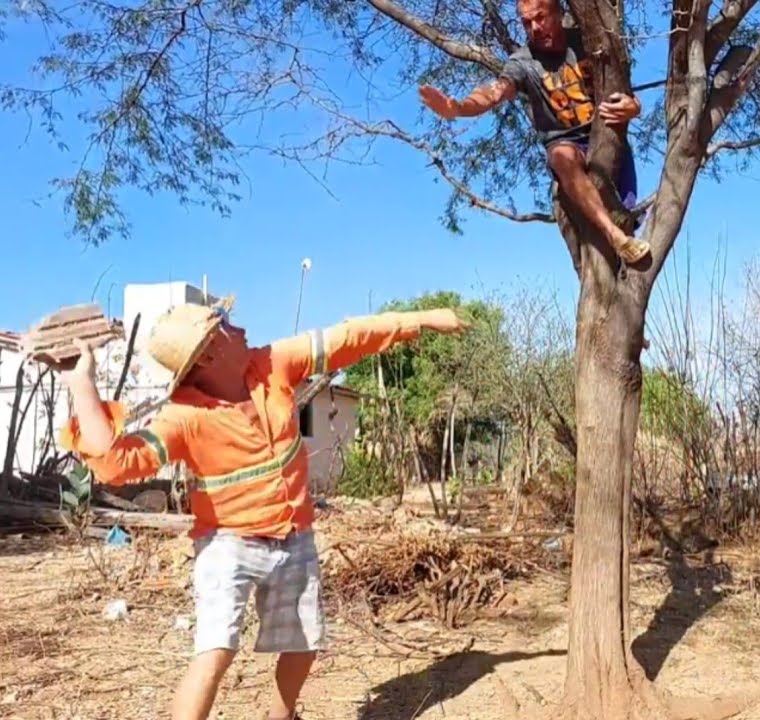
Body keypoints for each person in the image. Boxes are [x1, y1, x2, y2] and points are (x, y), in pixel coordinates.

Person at [52, 297, 469, 720]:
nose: (241, 329)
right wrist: (81, 384)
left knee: (303, 644)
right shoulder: (184, 418)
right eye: (226, 324)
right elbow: (117, 463)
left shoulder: (273, 363)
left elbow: (347, 338)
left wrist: (422, 319)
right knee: (216, 650)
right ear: (209, 352)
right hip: (227, 542)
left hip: (294, 535)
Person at [416, 0, 651, 265]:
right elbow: (494, 93)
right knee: (560, 156)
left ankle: (625, 239)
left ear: (559, 13)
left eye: (540, 17)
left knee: (627, 220)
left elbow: (622, 90)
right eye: (526, 22)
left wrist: (635, 107)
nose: (535, 28)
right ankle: (614, 236)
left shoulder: (587, 41)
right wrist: (459, 108)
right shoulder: (522, 62)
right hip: (566, 144)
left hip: (605, 134)